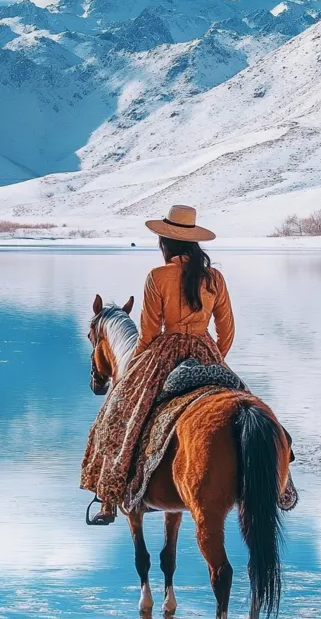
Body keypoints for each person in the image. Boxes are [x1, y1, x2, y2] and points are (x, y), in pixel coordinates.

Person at [82, 204, 235, 524]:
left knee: (116, 415)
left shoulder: (158, 276)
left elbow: (149, 333)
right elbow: (227, 329)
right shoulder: (215, 278)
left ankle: (109, 498)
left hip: (164, 352)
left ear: (165, 243)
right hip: (207, 350)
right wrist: (215, 359)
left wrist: (135, 370)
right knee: (244, 400)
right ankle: (278, 481)